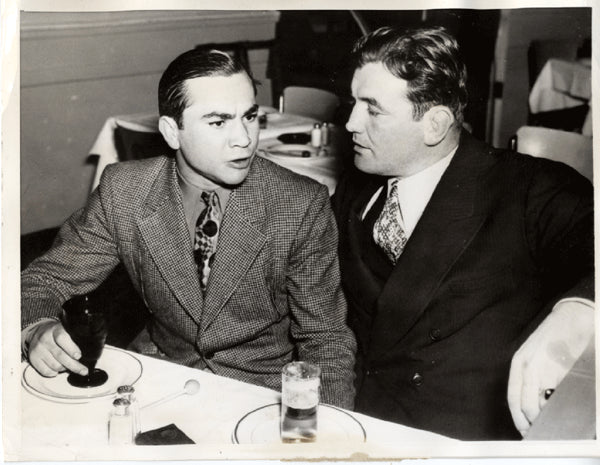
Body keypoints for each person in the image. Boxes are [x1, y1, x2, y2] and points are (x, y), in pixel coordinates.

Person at [21, 48, 356, 409]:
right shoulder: (125, 190)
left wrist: (324, 433)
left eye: (250, 116)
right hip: (157, 376)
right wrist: (35, 327)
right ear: (172, 132)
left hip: (261, 395)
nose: (243, 138)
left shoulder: (299, 203)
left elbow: (325, 338)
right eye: (218, 122)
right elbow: (46, 279)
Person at [332, 26, 594, 439]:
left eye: (372, 109)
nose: (349, 123)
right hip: (361, 425)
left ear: (434, 124)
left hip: (458, 442)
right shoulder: (358, 184)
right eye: (353, 103)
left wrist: (580, 313)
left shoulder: (527, 190)